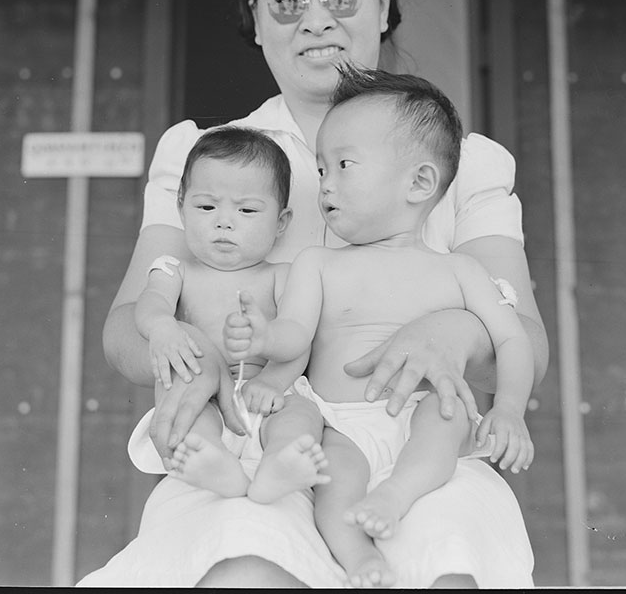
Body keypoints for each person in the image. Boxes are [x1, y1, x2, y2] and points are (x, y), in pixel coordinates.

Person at [81, 0, 547, 589]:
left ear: (385, 6)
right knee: (242, 565)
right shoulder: (206, 156)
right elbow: (124, 331)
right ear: (257, 22)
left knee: (449, 559)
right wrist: (194, 351)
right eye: (287, 2)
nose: (317, 20)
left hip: (409, 441)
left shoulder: (464, 162)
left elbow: (525, 337)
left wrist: (455, 328)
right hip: (256, 445)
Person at [223, 65, 536, 588]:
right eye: (322, 170)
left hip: (419, 412)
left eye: (344, 165)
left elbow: (511, 337)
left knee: (447, 412)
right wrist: (263, 336)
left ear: (419, 182)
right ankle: (360, 559)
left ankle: (396, 496)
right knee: (335, 482)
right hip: (340, 420)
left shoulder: (458, 269)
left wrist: (509, 409)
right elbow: (296, 335)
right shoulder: (318, 264)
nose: (326, 184)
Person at [131, 125, 329, 503]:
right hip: (200, 393)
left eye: (247, 210)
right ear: (180, 208)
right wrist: (162, 328)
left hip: (269, 392)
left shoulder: (283, 276)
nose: (224, 221)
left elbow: (297, 336)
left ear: (281, 222)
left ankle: (280, 464)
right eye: (206, 206)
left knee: (300, 416)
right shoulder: (174, 269)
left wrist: (273, 381)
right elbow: (152, 302)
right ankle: (215, 465)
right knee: (191, 422)